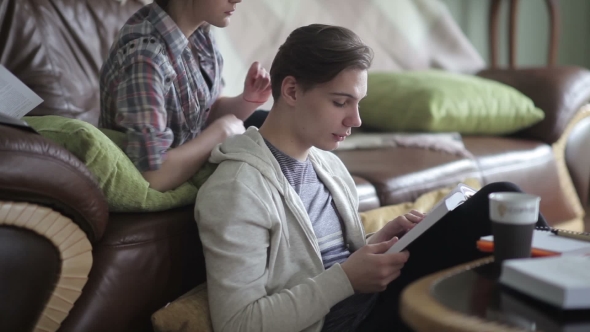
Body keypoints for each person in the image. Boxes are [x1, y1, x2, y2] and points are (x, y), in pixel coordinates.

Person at [194, 24, 549, 332]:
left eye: (358, 103)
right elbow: (238, 323)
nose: (356, 120)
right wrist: (347, 279)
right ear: (290, 91)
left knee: (499, 202)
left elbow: (322, 259)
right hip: (345, 325)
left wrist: (374, 246)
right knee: (498, 213)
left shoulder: (326, 164)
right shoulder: (236, 189)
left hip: (368, 300)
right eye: (340, 102)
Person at [99, 0, 272, 192]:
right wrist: (221, 133)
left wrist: (248, 99)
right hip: (158, 185)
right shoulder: (146, 58)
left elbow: (206, 114)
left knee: (272, 123)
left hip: (190, 167)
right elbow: (151, 176)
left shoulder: (200, 33)